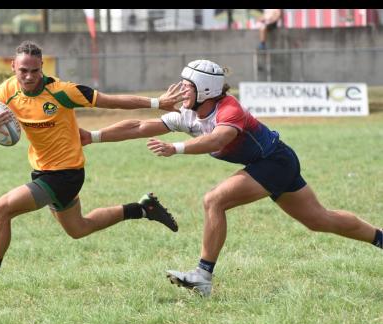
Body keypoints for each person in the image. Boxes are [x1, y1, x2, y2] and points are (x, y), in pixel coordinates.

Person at [79, 59, 383, 297]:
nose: (180, 90)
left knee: (214, 200)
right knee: (319, 220)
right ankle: (380, 238)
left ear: (206, 90)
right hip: (273, 163)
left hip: (274, 161)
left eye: (187, 86)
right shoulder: (187, 113)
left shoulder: (229, 109)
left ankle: (202, 276)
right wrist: (93, 136)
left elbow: (216, 140)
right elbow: (138, 127)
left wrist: (177, 148)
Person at [0, 40, 182, 298]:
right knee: (79, 228)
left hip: (66, 174)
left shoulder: (62, 91)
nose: (28, 76)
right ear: (13, 66)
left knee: (1, 209)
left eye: (34, 71)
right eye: (23, 70)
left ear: (42, 68)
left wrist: (157, 102)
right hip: (42, 171)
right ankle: (143, 208)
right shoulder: (6, 92)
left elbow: (110, 101)